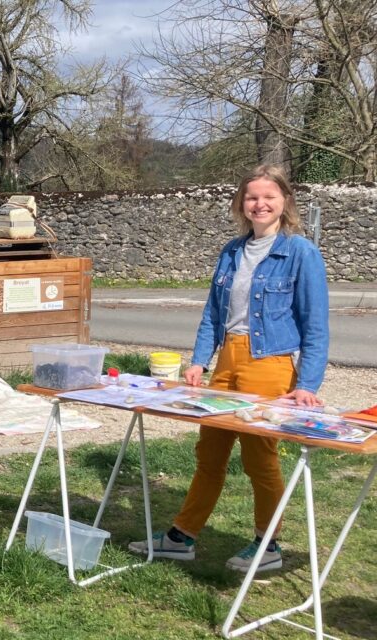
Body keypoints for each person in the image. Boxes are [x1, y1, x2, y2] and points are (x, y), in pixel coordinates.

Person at [130, 164, 329, 574]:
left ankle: (268, 543)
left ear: (285, 202)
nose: (260, 204)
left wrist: (307, 384)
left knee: (261, 458)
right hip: (226, 363)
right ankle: (181, 537)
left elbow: (316, 325)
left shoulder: (300, 252)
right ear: (241, 203)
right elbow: (212, 314)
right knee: (210, 453)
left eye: (268, 197)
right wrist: (200, 360)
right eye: (252, 197)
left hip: (270, 366)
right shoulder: (232, 250)